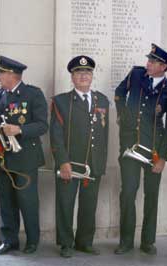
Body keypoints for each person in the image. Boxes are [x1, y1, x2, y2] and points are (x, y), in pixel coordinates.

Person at [114, 44, 167, 255]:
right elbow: (119, 92)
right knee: (128, 194)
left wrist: (163, 158)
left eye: (152, 62)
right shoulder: (136, 75)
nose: (147, 65)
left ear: (164, 67)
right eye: (148, 61)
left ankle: (148, 241)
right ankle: (125, 241)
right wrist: (122, 115)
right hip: (130, 147)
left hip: (154, 150)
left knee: (151, 196)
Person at [0, 56, 48, 255]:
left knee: (27, 201)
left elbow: (42, 125)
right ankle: (9, 240)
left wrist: (19, 129)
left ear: (12, 74)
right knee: (6, 201)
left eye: (1, 73)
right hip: (3, 158)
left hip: (25, 158)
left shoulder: (33, 94)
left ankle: (32, 240)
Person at [50, 55, 109, 258]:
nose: (84, 76)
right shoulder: (61, 101)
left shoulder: (102, 100)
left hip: (93, 164)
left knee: (89, 205)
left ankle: (84, 242)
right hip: (70, 164)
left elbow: (104, 134)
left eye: (87, 72)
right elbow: (56, 135)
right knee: (65, 204)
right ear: (72, 77)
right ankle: (66, 243)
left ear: (92, 75)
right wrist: (62, 162)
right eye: (79, 72)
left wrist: (101, 163)